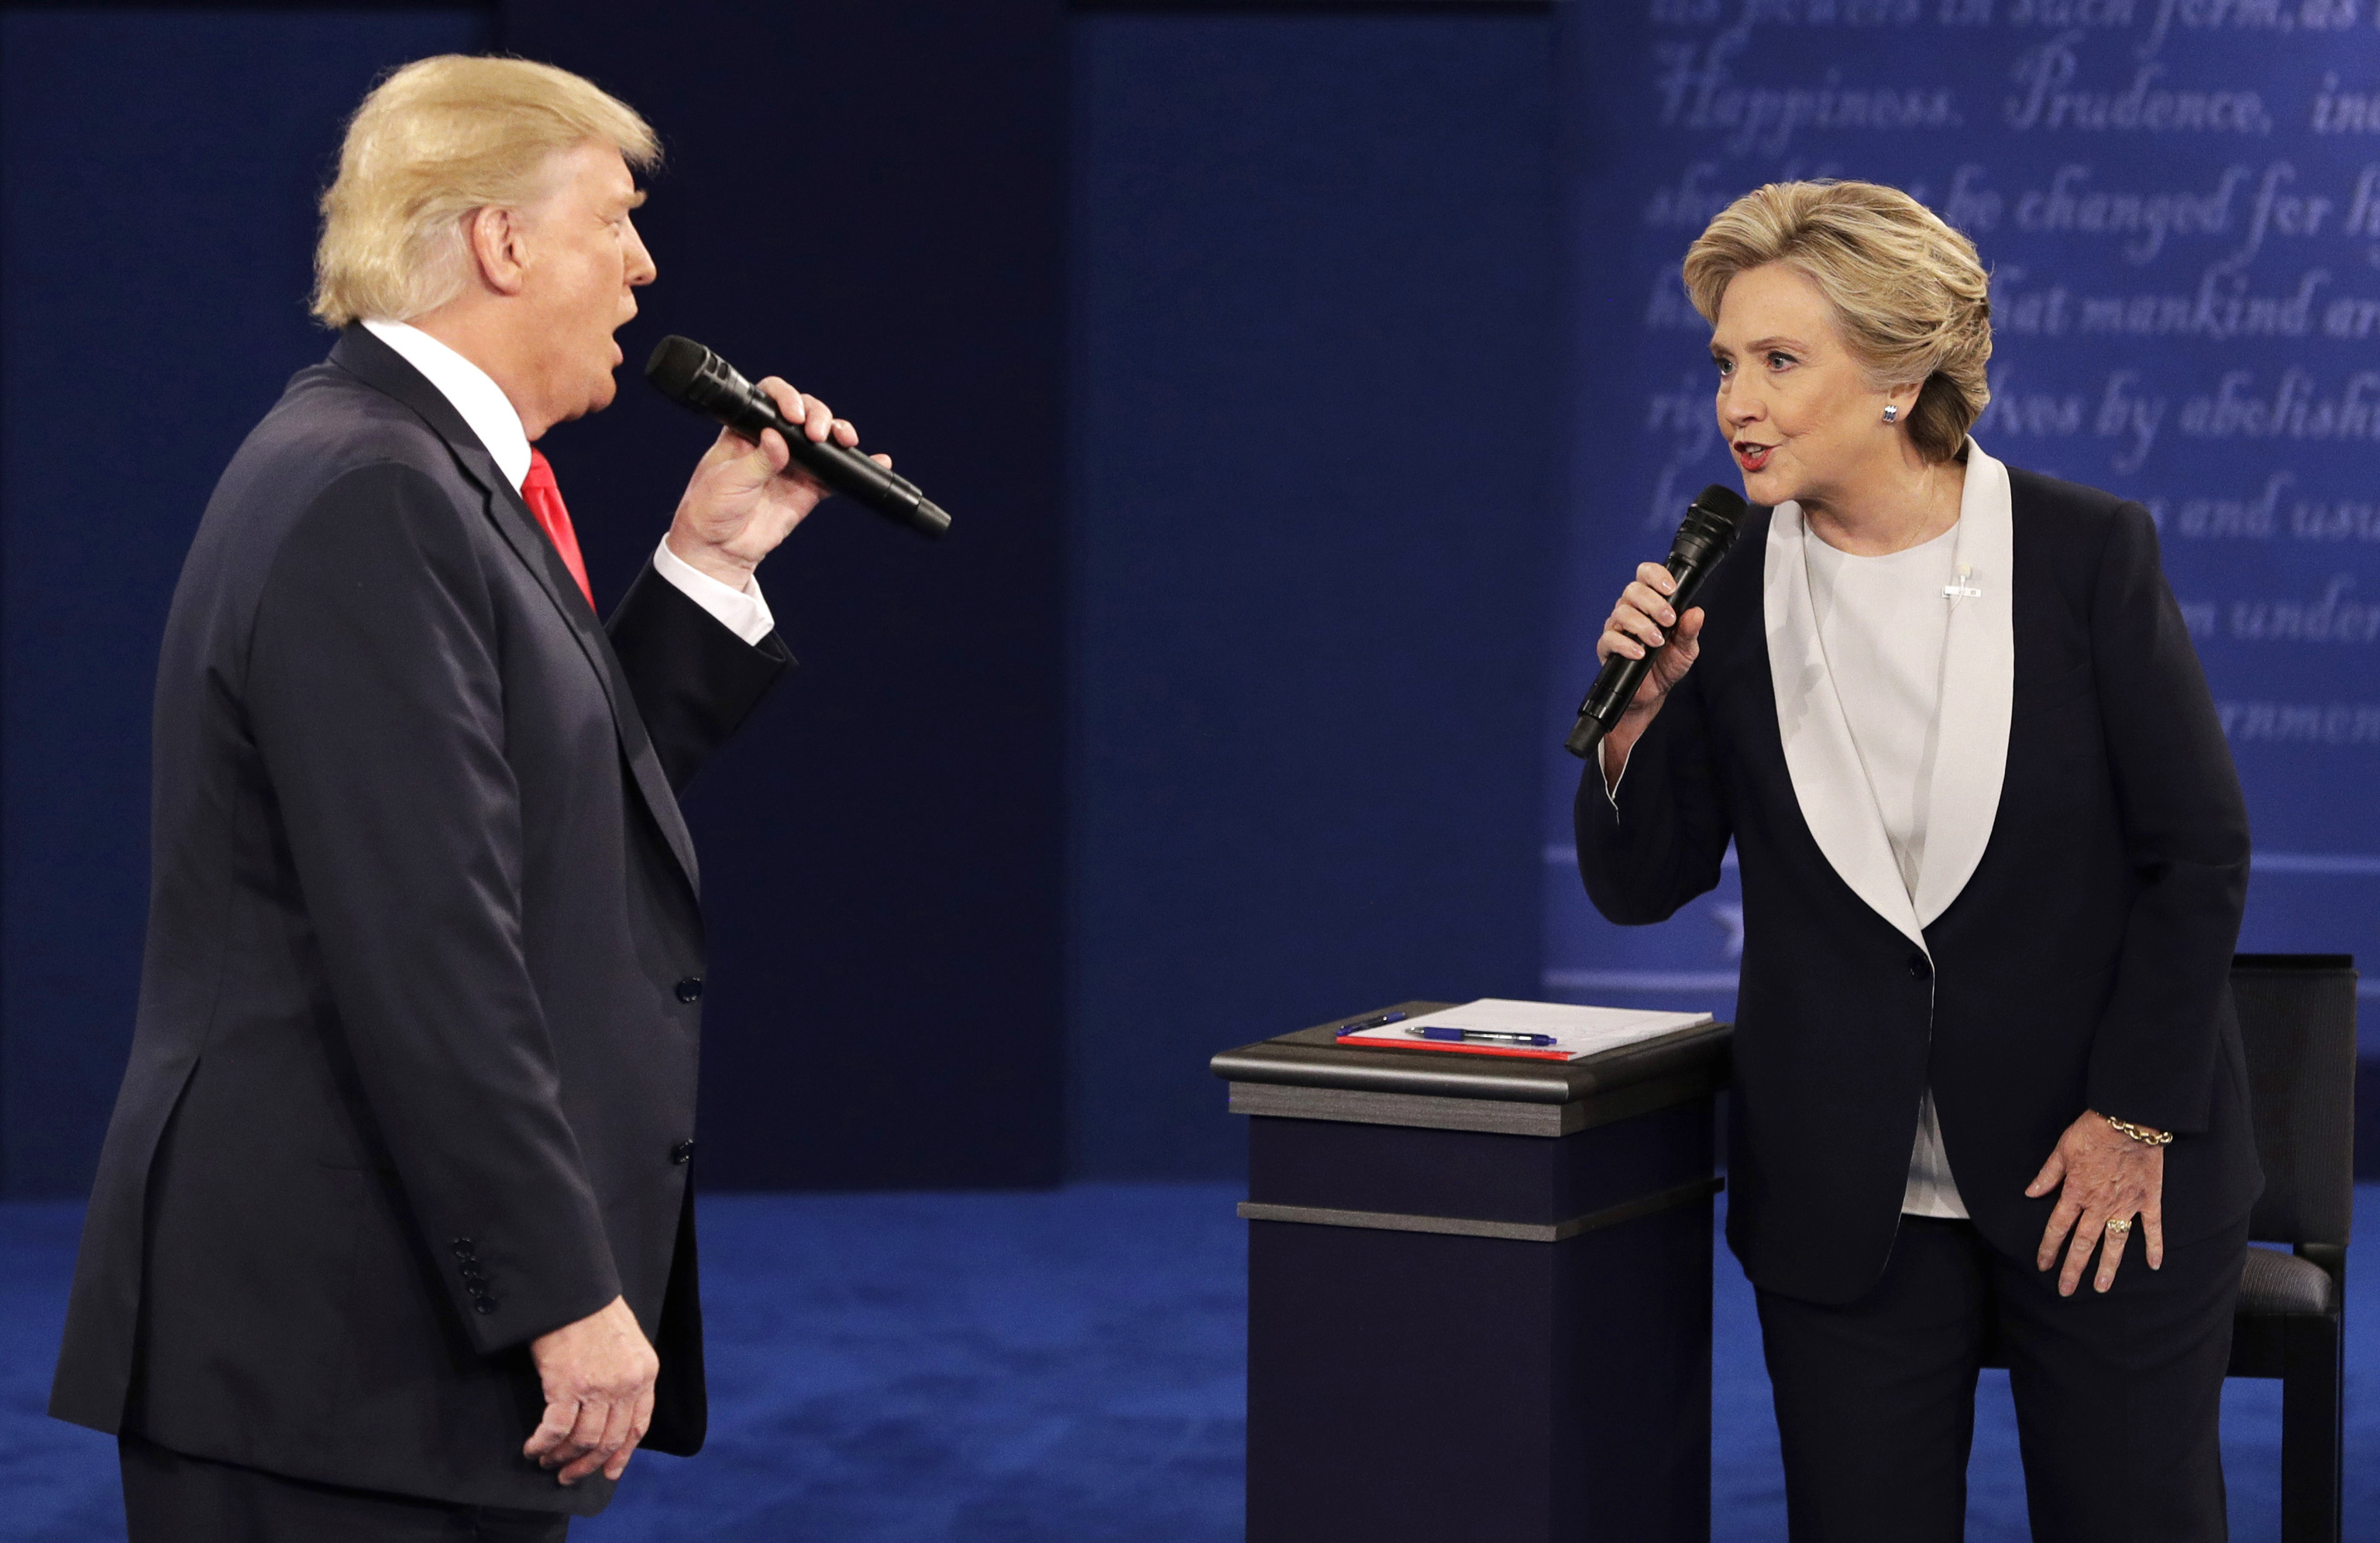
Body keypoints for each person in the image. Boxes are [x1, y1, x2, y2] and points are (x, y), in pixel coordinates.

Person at [48, 56, 887, 1540]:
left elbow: (531, 815)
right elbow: (426, 940)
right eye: (618, 219)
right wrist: (563, 1292)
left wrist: (710, 564)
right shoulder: (376, 491)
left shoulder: (410, 470)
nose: (642, 266)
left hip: (369, 1353)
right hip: (335, 1358)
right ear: (502, 243)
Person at [1574, 180, 2260, 1541]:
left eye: (1779, 361)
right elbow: (1645, 884)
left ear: (1899, 373)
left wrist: (2133, 1118)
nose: (1736, 405)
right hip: (1845, 1186)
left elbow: (2197, 854)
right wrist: (1632, 730)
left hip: (2094, 1168)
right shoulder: (1720, 583)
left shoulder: (2081, 553)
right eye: (1724, 363)